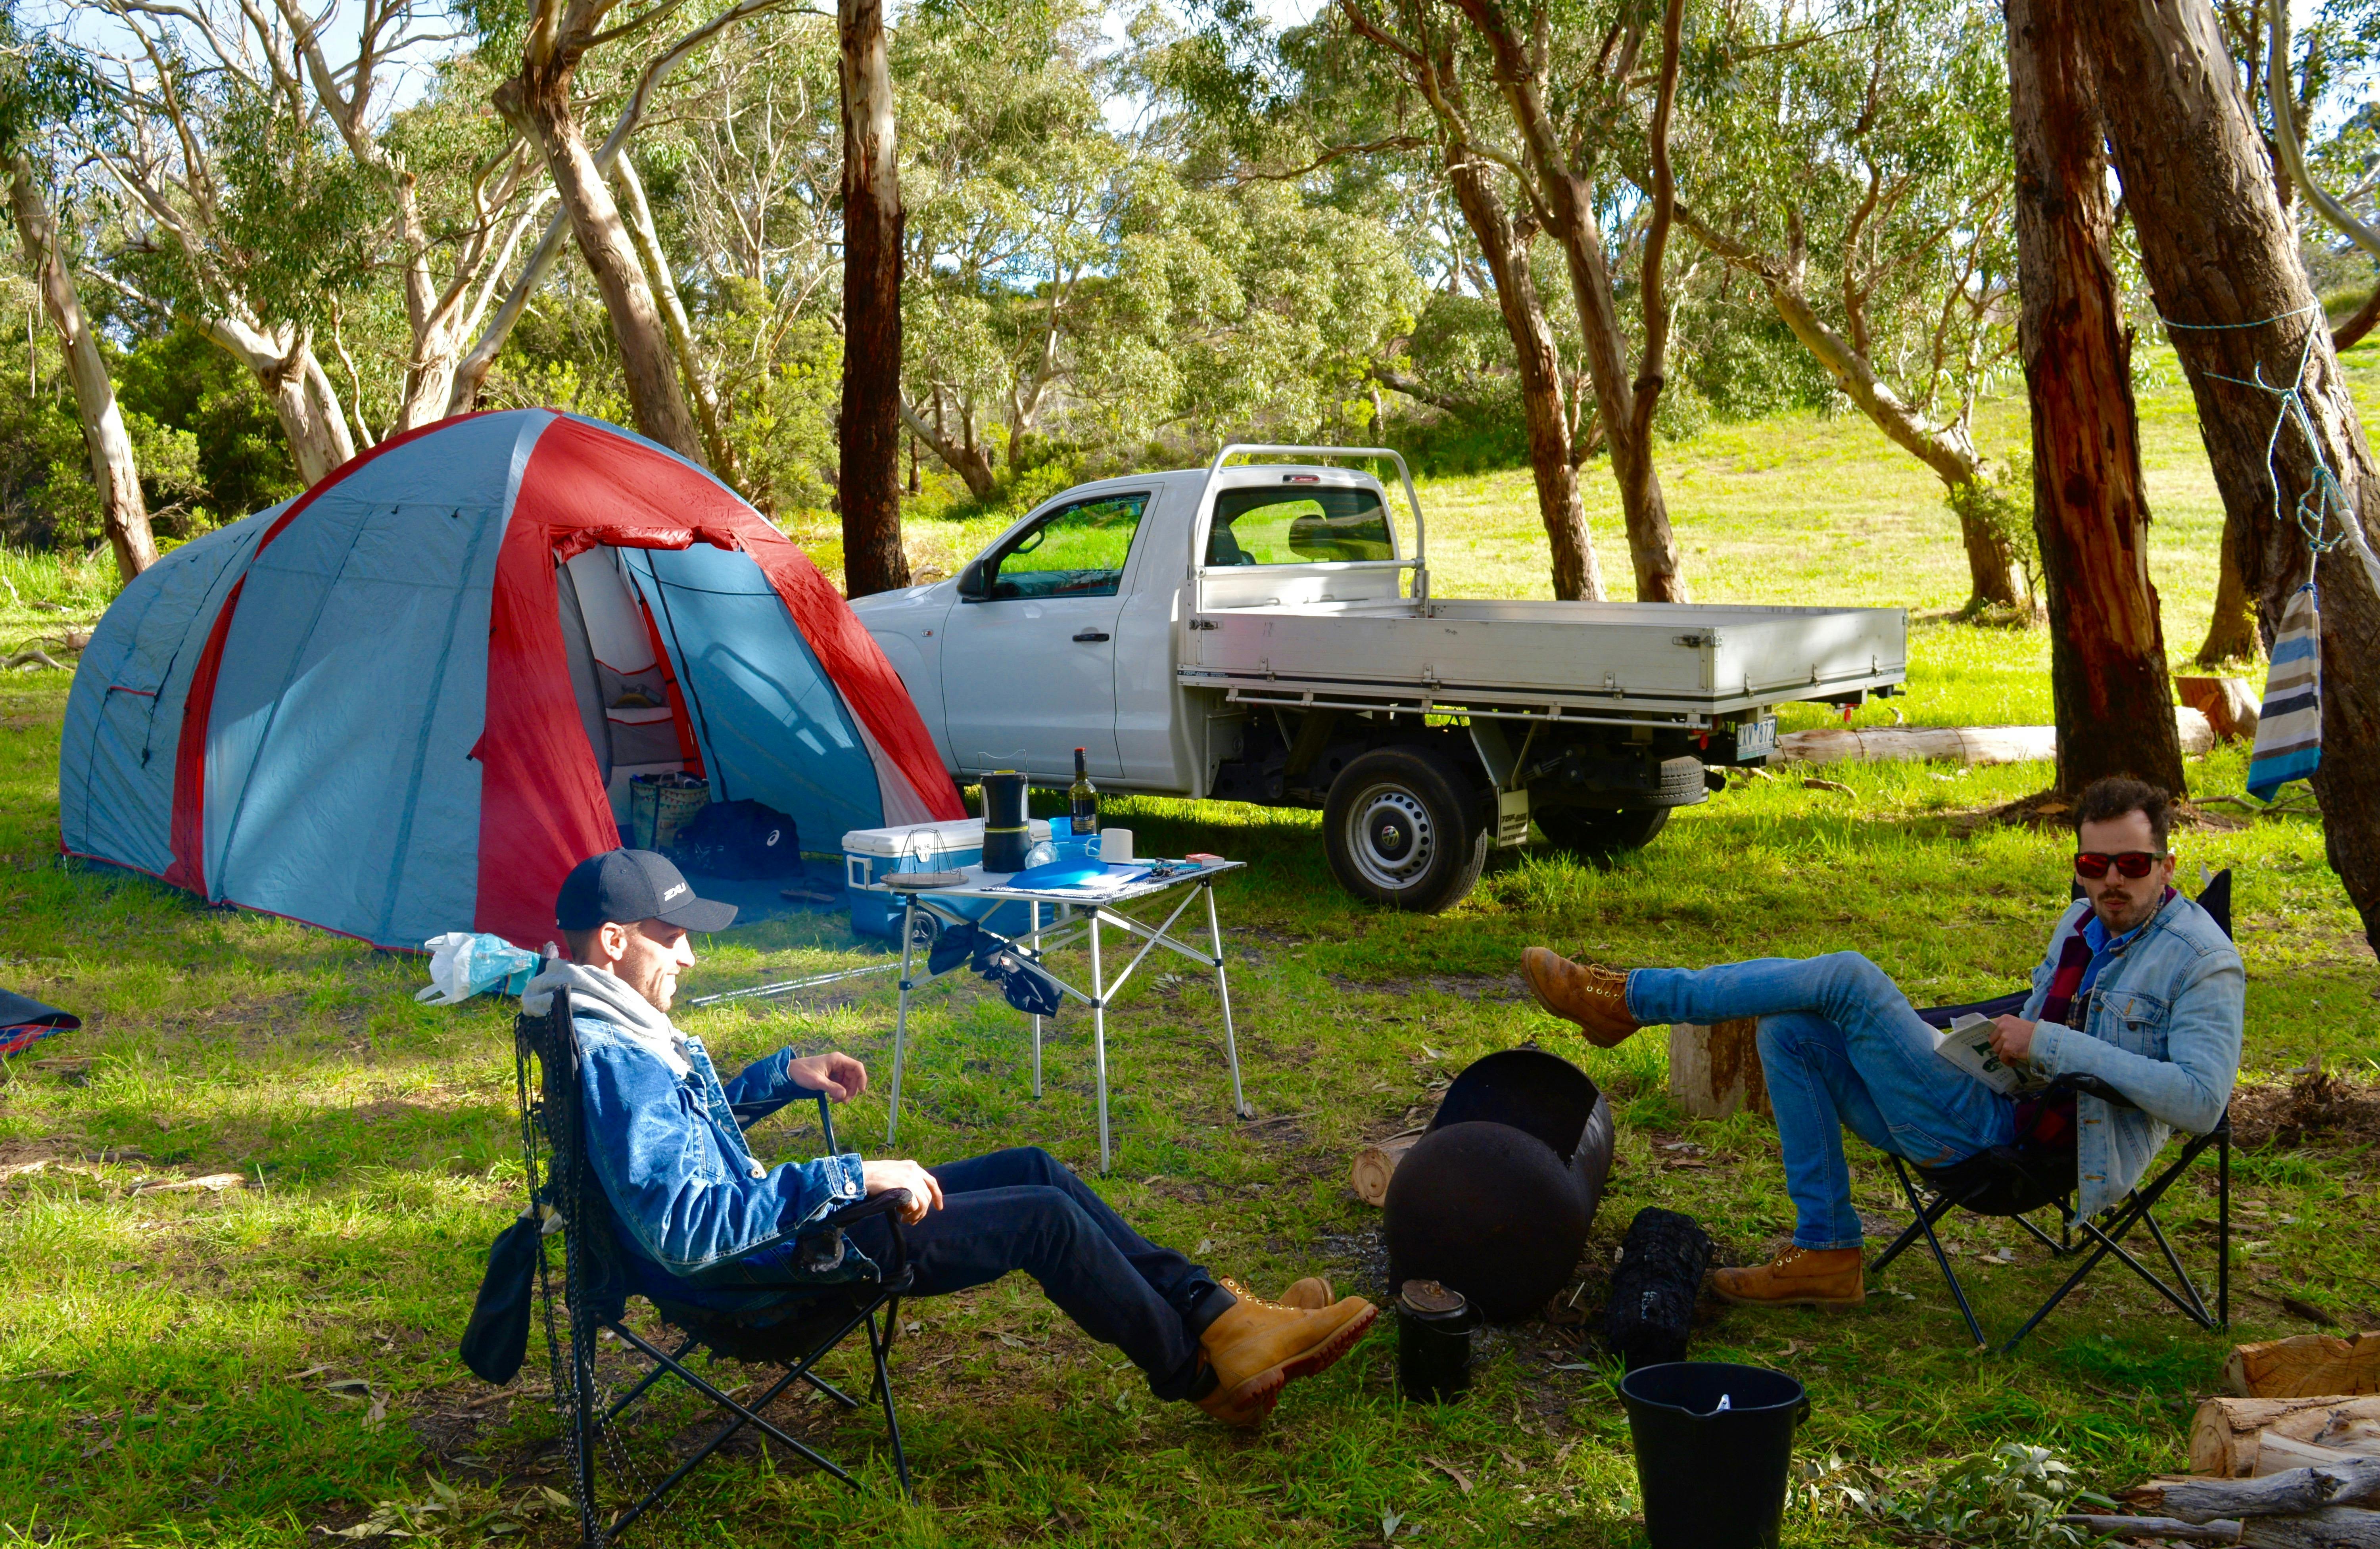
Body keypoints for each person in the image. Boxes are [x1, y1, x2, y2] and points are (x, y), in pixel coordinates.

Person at [521, 847, 1375, 1426]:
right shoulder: (617, 1057)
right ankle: (1202, 1373)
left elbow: (675, 1146)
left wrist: (779, 1076)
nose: (689, 957)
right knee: (1044, 1218)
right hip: (769, 1277)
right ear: (614, 940)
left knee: (1034, 1165)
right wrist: (853, 1176)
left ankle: (1220, 1316)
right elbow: (685, 1229)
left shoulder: (593, 1019)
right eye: (674, 938)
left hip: (769, 1243)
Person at [1519, 776, 2243, 1307]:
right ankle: (1827, 1251)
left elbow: (2202, 1102)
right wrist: (1977, 1042)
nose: (2110, 881)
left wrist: (2051, 1047)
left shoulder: (2203, 962)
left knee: (1847, 978)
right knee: (1792, 1030)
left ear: (2168, 866)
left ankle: (1630, 999)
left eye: (2132, 865)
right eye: (2093, 865)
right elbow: (2034, 1018)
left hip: (2020, 1155)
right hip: (1992, 1102)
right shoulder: (2081, 923)